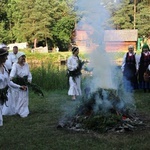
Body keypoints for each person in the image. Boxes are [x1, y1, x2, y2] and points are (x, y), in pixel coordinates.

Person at [2, 52, 32, 118]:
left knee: (25, 99)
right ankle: (19, 111)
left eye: (24, 57)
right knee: (19, 99)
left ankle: (25, 110)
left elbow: (29, 74)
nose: (24, 59)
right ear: (18, 58)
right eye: (22, 57)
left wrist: (29, 80)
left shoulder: (26, 65)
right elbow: (12, 76)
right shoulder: (15, 65)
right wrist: (12, 80)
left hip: (25, 84)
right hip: (18, 85)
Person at [0, 45, 22, 126]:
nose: (7, 58)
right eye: (5, 57)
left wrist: (19, 87)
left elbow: (9, 82)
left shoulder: (5, 67)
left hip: (3, 95)